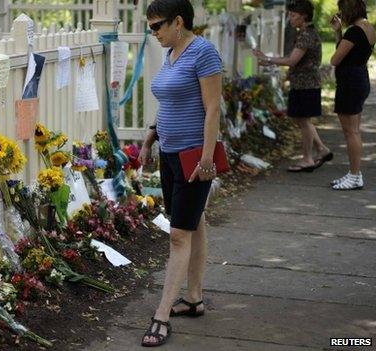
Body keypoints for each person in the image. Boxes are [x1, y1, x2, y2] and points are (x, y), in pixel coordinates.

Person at [138, 0, 222, 347]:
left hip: (192, 158)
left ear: (177, 22)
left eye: (156, 26)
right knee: (192, 223)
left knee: (178, 236)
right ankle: (195, 298)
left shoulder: (203, 53)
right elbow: (169, 102)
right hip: (169, 155)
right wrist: (149, 138)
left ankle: (161, 315)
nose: (152, 33)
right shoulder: (172, 54)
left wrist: (206, 158)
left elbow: (213, 107)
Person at [254, 0, 332, 173]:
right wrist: (270, 61)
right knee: (301, 119)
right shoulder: (305, 32)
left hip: (306, 84)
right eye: (290, 14)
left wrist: (268, 59)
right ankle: (321, 149)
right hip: (304, 83)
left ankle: (308, 159)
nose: (290, 18)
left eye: (293, 15)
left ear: (304, 16)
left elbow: (292, 60)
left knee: (304, 121)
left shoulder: (306, 35)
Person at [329, 0, 374, 190]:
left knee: (351, 132)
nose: (340, 13)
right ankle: (355, 174)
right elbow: (348, 52)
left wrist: (340, 33)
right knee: (353, 131)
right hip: (359, 79)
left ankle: (355, 176)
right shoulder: (368, 27)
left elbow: (335, 59)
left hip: (350, 84)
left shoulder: (354, 31)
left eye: (342, 9)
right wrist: (338, 31)